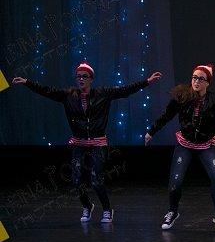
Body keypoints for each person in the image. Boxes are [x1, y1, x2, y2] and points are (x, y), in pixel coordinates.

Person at [12, 61, 161, 224]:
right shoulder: (69, 95)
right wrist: (27, 83)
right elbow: (47, 91)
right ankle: (87, 206)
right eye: (79, 76)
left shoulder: (103, 93)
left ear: (91, 79)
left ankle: (107, 209)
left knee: (96, 180)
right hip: (79, 142)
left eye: (85, 76)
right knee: (76, 182)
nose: (81, 79)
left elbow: (125, 90)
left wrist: (147, 81)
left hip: (98, 143)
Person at [145, 64, 215, 230]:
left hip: (206, 145)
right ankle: (172, 211)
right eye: (194, 78)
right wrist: (151, 132)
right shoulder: (182, 97)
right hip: (185, 144)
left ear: (207, 83)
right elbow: (166, 115)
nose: (196, 81)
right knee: (175, 182)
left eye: (201, 79)